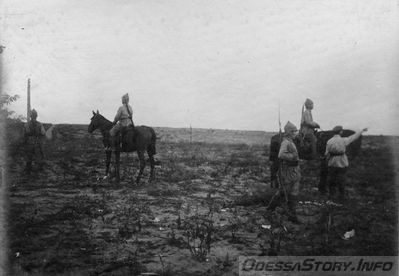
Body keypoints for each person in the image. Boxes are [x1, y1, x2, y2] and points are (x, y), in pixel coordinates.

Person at [325, 125, 368, 200]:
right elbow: (354, 137)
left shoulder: (329, 141)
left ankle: (331, 195)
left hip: (332, 162)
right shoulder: (343, 140)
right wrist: (361, 131)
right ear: (340, 132)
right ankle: (342, 196)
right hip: (342, 162)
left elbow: (326, 154)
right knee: (341, 179)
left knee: (332, 179)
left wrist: (327, 161)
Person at [278, 121, 301, 223]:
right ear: (290, 132)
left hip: (295, 170)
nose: (296, 133)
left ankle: (292, 214)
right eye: (294, 131)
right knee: (284, 191)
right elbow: (281, 155)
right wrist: (293, 157)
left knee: (294, 192)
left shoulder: (291, 142)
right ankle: (271, 208)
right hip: (288, 171)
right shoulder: (286, 142)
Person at [24, 109, 46, 173]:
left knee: (30, 157)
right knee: (37, 156)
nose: (34, 117)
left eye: (34, 115)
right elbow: (43, 133)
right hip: (36, 142)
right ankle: (37, 169)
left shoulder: (27, 124)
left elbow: (27, 133)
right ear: (36, 116)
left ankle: (29, 169)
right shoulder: (39, 124)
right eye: (34, 115)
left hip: (31, 142)